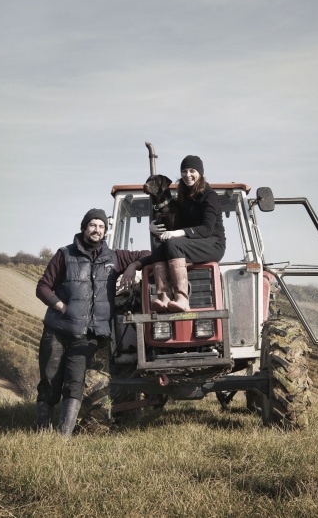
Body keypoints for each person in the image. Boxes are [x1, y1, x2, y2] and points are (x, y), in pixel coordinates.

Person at [36, 208, 150, 436]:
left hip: (87, 335)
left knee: (75, 382)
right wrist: (62, 307)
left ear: (105, 232)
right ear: (84, 228)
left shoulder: (114, 257)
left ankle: (63, 436)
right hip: (58, 330)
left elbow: (148, 254)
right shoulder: (65, 254)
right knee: (49, 380)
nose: (96, 230)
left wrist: (132, 266)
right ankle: (41, 431)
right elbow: (42, 287)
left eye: (101, 226)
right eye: (92, 225)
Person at [142, 155, 225, 312]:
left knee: (173, 243)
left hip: (212, 243)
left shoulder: (210, 196)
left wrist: (178, 233)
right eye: (184, 171)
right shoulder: (183, 198)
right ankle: (164, 298)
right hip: (192, 243)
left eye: (192, 170)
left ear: (200, 173)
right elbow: (174, 223)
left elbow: (207, 229)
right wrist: (153, 228)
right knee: (161, 247)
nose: (188, 175)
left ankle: (182, 300)